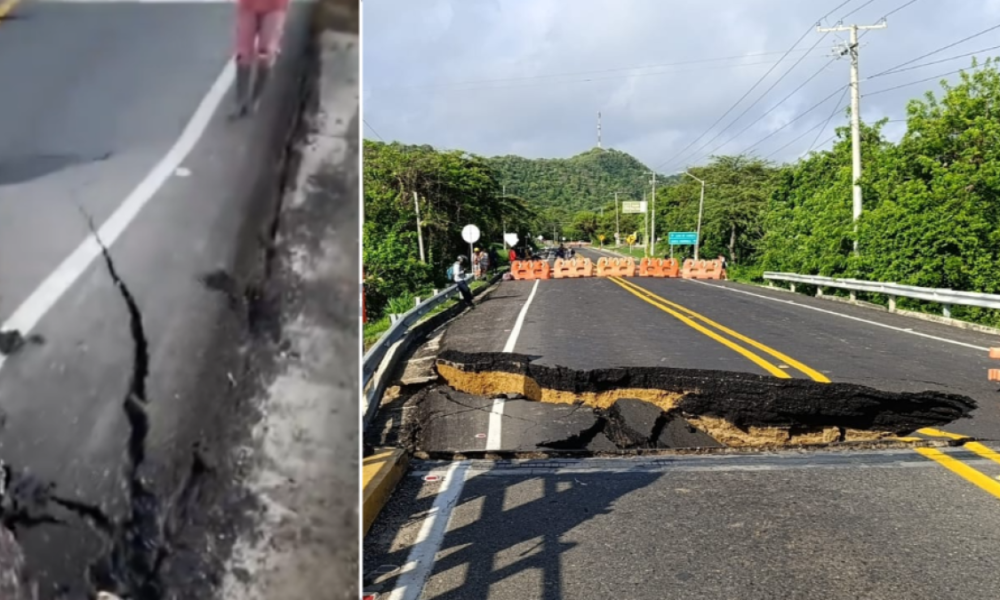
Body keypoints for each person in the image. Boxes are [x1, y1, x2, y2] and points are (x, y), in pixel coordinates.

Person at [231, 0, 290, 119]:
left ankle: (255, 99)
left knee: (266, 53)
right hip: (247, 5)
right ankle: (240, 101)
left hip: (275, 6)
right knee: (243, 53)